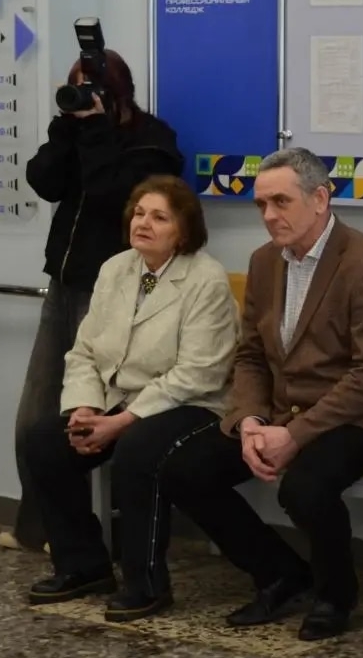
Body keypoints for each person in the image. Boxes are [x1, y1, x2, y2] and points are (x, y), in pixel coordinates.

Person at [156, 148, 363, 640]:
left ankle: (336, 595)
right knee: (184, 470)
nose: (270, 215)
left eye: (281, 202)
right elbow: (251, 355)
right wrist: (251, 420)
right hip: (281, 413)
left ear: (320, 199)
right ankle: (280, 573)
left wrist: (294, 435)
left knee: (305, 485)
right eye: (261, 205)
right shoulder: (264, 262)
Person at [18, 176, 239, 620]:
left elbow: (198, 373)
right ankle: (83, 565)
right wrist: (85, 408)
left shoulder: (206, 279)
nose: (143, 223)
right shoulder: (116, 268)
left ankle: (147, 584)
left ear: (184, 230)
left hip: (191, 404)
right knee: (42, 441)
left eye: (159, 217)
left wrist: (121, 422)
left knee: (138, 449)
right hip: (116, 400)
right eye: (139, 213)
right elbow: (84, 350)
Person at [7, 49, 181, 551]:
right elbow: (44, 181)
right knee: (36, 413)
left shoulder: (152, 140)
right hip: (63, 283)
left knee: (91, 415)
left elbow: (116, 198)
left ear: (115, 90)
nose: (81, 96)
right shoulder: (75, 129)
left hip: (115, 291)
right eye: (74, 86)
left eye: (90, 87)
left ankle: (91, 538)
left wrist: (97, 132)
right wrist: (68, 128)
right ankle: (40, 528)